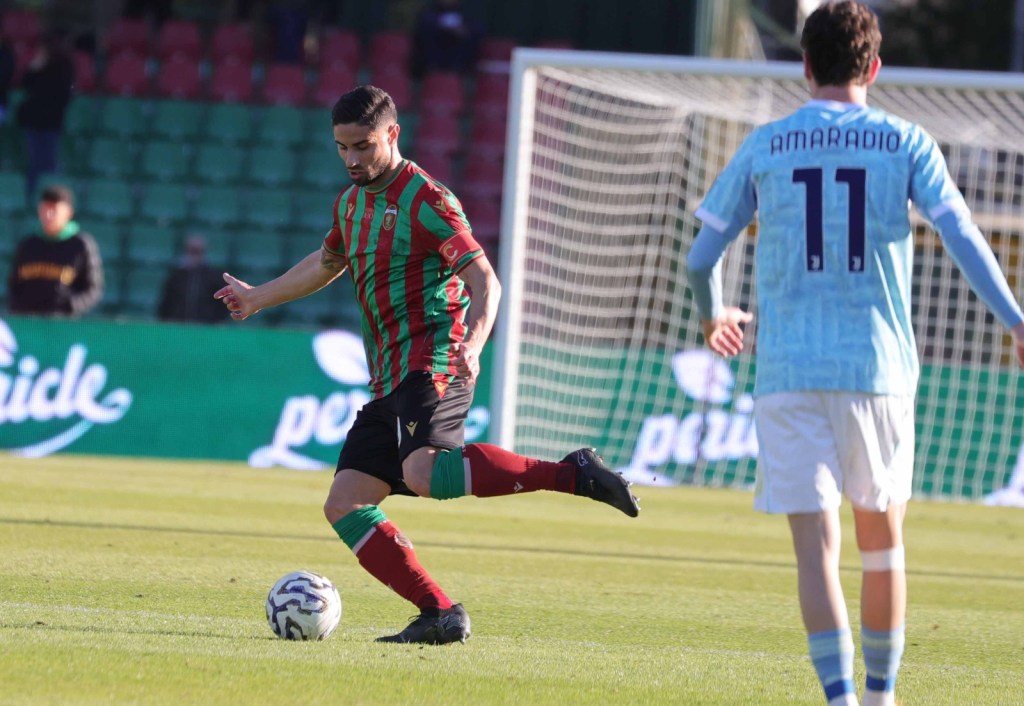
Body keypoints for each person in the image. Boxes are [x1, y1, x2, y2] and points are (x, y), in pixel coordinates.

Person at [214, 84, 640, 645]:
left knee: (423, 471)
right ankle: (439, 613)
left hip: (433, 353)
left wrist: (477, 342)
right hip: (389, 373)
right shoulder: (349, 203)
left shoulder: (427, 199)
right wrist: (258, 296)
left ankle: (572, 473)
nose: (352, 160)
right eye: (342, 148)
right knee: (345, 503)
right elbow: (327, 262)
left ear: (392, 134)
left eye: (363, 146)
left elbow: (484, 278)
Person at [686, 3, 1024, 705]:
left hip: (788, 371)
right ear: (873, 67)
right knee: (882, 545)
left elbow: (700, 257)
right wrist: (1017, 322)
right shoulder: (905, 141)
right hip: (879, 370)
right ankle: (881, 698)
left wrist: (712, 311)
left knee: (815, 552)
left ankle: (840, 700)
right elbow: (961, 236)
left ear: (805, 67)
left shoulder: (766, 144)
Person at [8, 184, 103, 317]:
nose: (48, 215)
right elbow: (14, 285)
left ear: (69, 213)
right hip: (28, 322)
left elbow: (93, 289)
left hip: (63, 325)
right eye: (45, 209)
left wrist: (70, 306)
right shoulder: (28, 245)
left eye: (54, 209)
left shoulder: (81, 245)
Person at [16, 28, 75, 207]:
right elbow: (25, 84)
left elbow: (65, 95)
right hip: (34, 122)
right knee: (35, 164)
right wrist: (35, 66)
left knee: (49, 164)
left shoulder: (65, 65)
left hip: (51, 122)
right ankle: (32, 200)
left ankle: (51, 201)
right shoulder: (37, 65)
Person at [157, 234, 230, 323]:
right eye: (192, 250)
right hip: (178, 327)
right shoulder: (176, 276)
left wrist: (215, 321)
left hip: (205, 328)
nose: (194, 255)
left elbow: (223, 304)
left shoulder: (214, 276)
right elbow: (166, 303)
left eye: (198, 251)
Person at [409, 0, 481, 79]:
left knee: (468, 37)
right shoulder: (430, 11)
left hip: (457, 58)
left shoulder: (467, 13)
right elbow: (425, 25)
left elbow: (475, 29)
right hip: (431, 59)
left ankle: (456, 71)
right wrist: (445, 28)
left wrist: (461, 30)